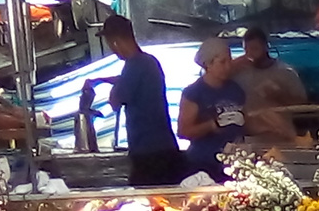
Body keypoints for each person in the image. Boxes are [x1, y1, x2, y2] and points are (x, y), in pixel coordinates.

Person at [98, 14, 181, 186]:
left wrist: (108, 88)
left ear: (115, 42)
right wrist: (102, 80)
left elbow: (115, 102)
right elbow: (129, 81)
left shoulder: (133, 65)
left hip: (149, 152)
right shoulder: (148, 62)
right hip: (165, 147)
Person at [179, 37, 247, 180]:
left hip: (232, 163)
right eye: (222, 62)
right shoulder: (194, 93)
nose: (228, 66)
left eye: (229, 61)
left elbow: (245, 121)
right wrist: (211, 125)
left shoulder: (236, 90)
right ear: (207, 64)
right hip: (203, 163)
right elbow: (183, 132)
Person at [230, 27, 306, 145]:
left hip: (281, 137)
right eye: (246, 50)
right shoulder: (239, 73)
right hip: (250, 138)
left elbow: (303, 106)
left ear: (266, 47)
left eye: (255, 49)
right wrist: (233, 66)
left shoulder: (285, 72)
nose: (250, 54)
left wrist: (280, 96)